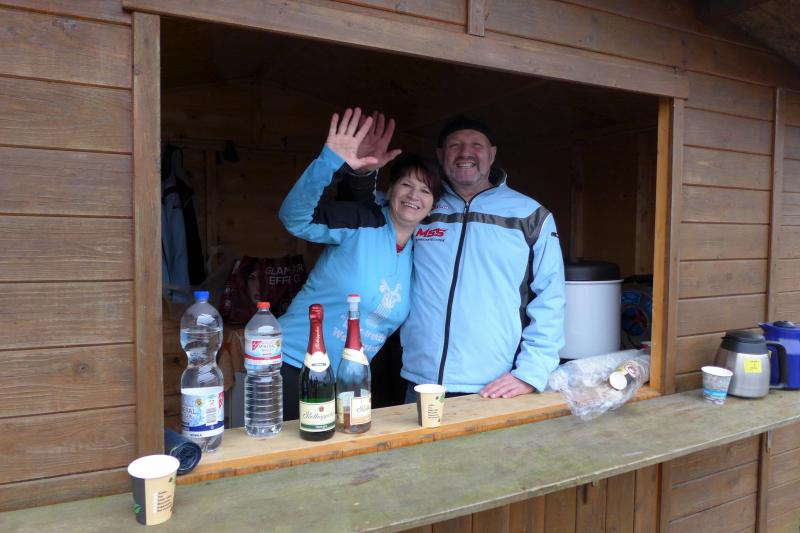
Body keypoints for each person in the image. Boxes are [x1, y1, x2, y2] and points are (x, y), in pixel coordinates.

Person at [277, 108, 442, 420]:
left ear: (433, 205)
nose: (414, 195)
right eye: (406, 184)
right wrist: (330, 162)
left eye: (425, 190)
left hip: (347, 381)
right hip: (292, 365)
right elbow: (295, 219)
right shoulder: (363, 221)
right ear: (390, 190)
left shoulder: (421, 251)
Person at [397, 116, 566, 400]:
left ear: (492, 154)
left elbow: (551, 299)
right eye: (455, 145)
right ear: (440, 154)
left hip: (496, 387)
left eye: (476, 145)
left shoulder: (530, 215)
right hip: (421, 378)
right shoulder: (419, 206)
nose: (466, 153)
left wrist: (531, 372)